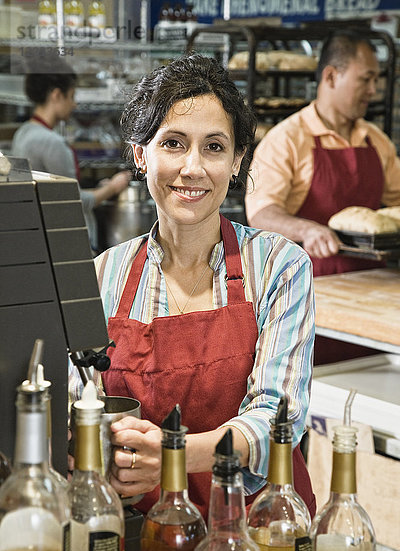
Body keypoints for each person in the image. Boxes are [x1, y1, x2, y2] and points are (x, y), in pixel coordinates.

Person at [69, 53, 316, 519]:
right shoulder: (102, 277)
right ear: (142, 155)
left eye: (215, 147)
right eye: (174, 143)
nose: (193, 167)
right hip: (144, 536)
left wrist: (174, 455)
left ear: (239, 160)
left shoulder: (279, 266)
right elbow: (75, 406)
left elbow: (279, 418)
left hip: (260, 530)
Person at [245, 29, 400, 364]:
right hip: (308, 296)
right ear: (331, 76)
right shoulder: (287, 139)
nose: (374, 91)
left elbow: (395, 204)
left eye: (376, 80)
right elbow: (260, 213)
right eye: (366, 79)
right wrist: (308, 230)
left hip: (372, 295)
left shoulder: (377, 142)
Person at [11, 51, 131, 252]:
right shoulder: (52, 143)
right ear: (56, 95)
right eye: (72, 96)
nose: (74, 104)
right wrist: (113, 187)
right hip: (66, 242)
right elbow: (73, 200)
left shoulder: (23, 133)